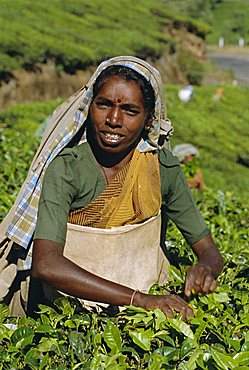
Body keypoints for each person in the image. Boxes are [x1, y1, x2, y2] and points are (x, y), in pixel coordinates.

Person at [0, 56, 223, 319]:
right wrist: (138, 299)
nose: (114, 119)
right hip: (67, 311)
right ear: (90, 107)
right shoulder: (68, 169)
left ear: (148, 120)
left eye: (130, 110)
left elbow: (209, 250)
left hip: (144, 305)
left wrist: (205, 269)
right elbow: (46, 265)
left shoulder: (161, 169)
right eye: (104, 105)